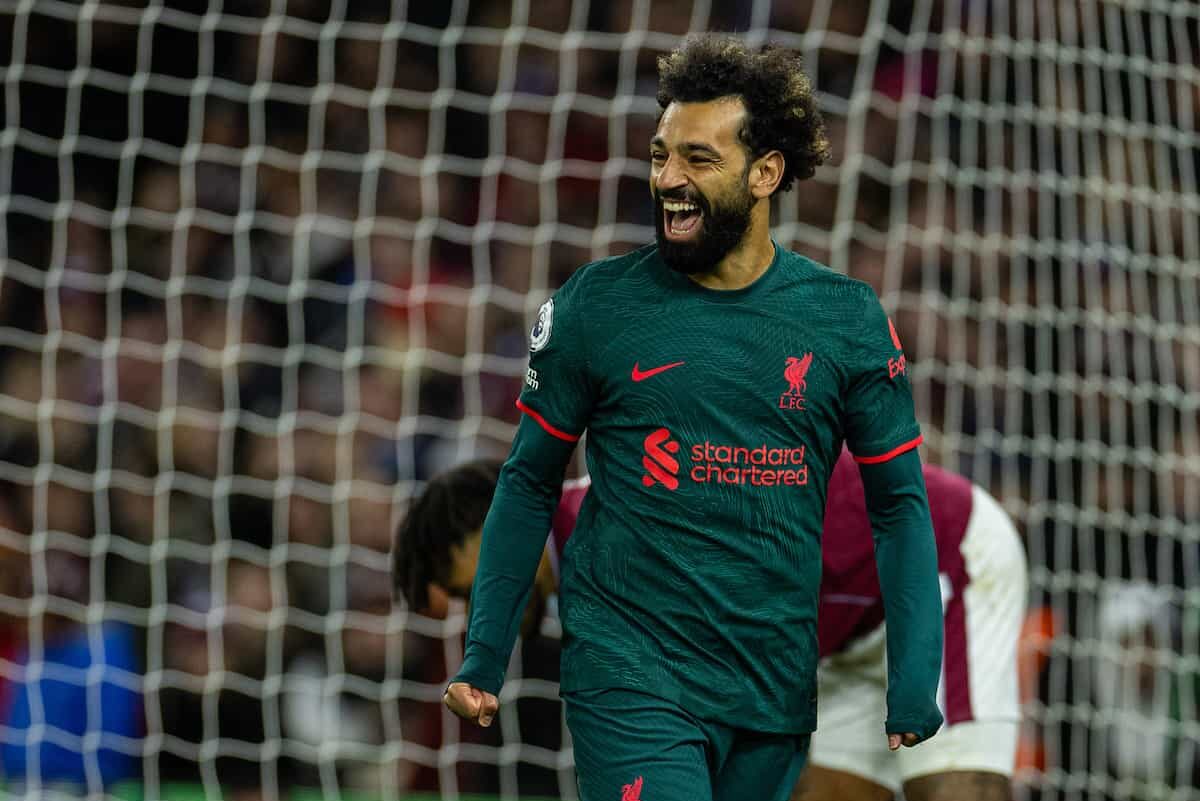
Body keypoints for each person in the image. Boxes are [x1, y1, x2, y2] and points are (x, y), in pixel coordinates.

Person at [436, 35, 944, 801]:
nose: (668, 179)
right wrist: (484, 653)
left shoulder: (846, 321)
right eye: (659, 155)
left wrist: (914, 675)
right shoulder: (596, 308)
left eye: (698, 160)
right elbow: (529, 481)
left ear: (766, 172)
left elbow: (900, 507)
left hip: (770, 689)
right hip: (630, 674)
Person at [395, 452, 1027, 801]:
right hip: (840, 641)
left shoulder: (618, 528)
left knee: (955, 792)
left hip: (934, 565)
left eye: (468, 589)